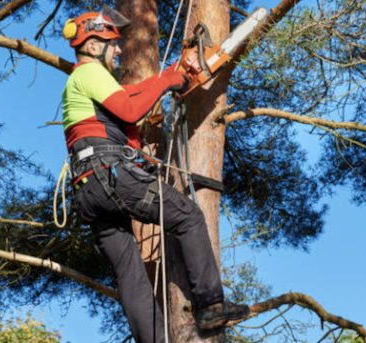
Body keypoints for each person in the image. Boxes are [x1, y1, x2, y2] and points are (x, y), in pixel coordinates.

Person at [61, 7, 249, 343]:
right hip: (109, 175)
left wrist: (169, 78)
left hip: (88, 189)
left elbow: (128, 100)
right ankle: (210, 306)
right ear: (91, 47)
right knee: (188, 216)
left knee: (129, 272)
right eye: (111, 43)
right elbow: (131, 109)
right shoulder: (89, 73)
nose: (118, 49)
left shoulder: (83, 83)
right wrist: (165, 81)